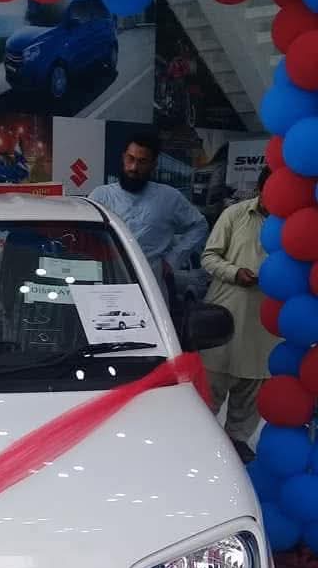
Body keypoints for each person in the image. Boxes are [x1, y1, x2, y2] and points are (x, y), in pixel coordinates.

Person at [90, 130, 208, 328]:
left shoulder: (169, 197)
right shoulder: (101, 196)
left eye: (142, 162)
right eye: (130, 159)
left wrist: (173, 259)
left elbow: (199, 225)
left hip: (151, 286)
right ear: (123, 157)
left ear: (154, 164)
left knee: (152, 337)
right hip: (107, 285)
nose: (134, 167)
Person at [200, 167, 275, 464]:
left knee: (251, 393)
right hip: (224, 321)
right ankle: (198, 450)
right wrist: (234, 273)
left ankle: (236, 446)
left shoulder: (296, 226)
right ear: (260, 188)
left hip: (265, 328)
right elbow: (209, 257)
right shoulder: (235, 215)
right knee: (207, 395)